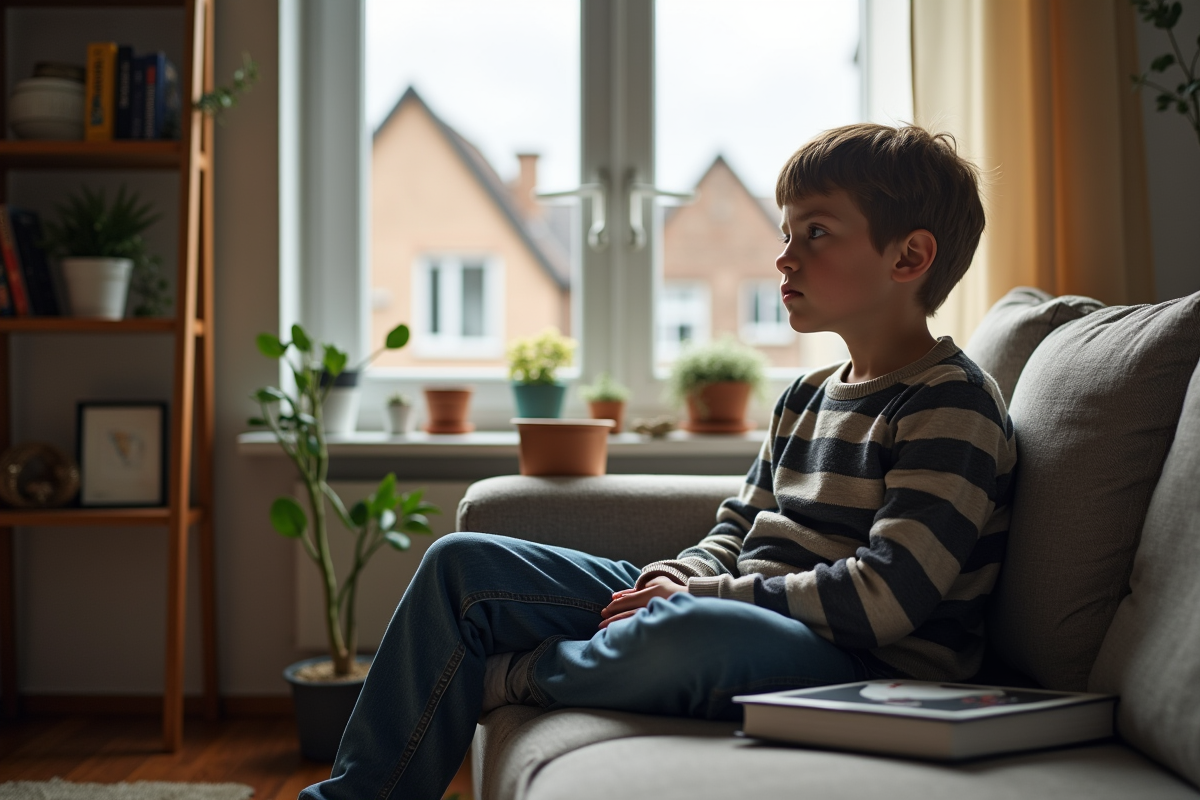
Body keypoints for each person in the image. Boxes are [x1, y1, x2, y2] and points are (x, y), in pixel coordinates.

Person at [299, 123, 1015, 800]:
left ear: (908, 258)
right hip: (741, 604)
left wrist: (702, 600)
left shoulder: (950, 403)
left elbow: (887, 600)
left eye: (817, 233)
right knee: (461, 565)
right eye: (787, 232)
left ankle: (511, 676)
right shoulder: (804, 394)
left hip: (862, 665)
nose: (785, 256)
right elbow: (738, 524)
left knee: (693, 635)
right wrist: (682, 573)